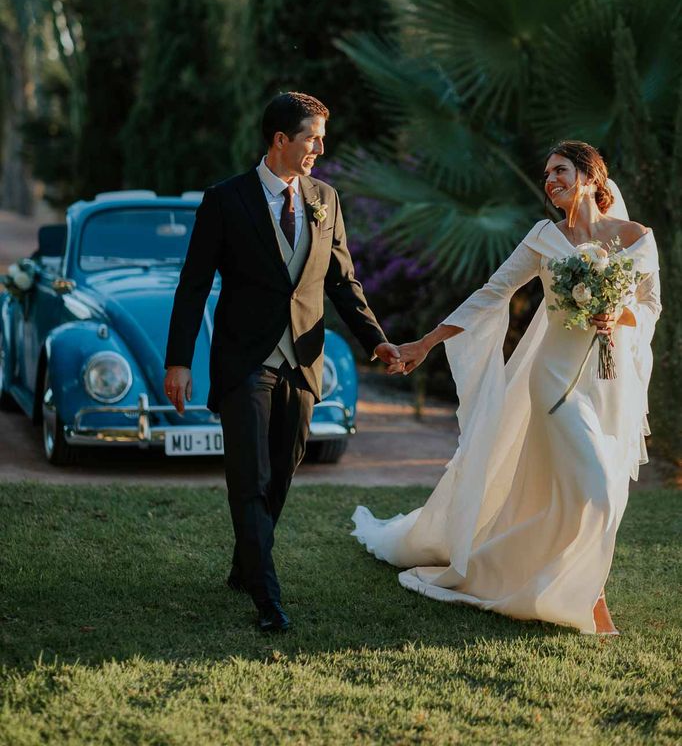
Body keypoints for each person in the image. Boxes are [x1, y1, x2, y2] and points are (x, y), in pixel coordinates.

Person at [352, 141, 661, 635]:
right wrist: (427, 342)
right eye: (546, 175)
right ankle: (592, 597)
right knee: (598, 490)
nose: (550, 181)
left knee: (584, 489)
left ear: (590, 175)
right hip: (555, 380)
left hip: (608, 381)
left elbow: (650, 307)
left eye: (560, 170)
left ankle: (544, 572)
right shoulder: (543, 237)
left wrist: (615, 313)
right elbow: (492, 294)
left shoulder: (634, 236)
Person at [165, 92, 403, 633]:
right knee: (249, 475)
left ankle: (243, 564)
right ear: (280, 140)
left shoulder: (326, 198)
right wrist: (179, 360)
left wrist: (377, 341)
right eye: (312, 137)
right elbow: (193, 285)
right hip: (245, 357)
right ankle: (267, 598)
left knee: (283, 468)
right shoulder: (225, 200)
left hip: (302, 356)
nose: (321, 147)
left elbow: (344, 282)